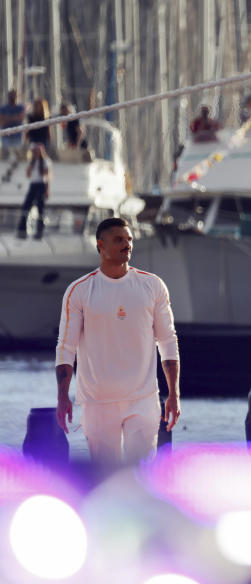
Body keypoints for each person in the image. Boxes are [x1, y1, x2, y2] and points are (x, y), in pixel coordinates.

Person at [54, 217, 180, 467]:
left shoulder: (152, 285)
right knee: (105, 479)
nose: (127, 244)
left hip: (142, 399)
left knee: (141, 476)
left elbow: (167, 341)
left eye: (129, 239)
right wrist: (62, 397)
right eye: (119, 240)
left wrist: (174, 393)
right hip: (97, 402)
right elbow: (66, 348)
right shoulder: (79, 290)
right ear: (101, 245)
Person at [16, 143, 52, 240]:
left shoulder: (45, 161)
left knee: (40, 207)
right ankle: (22, 228)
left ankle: (39, 230)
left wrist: (47, 190)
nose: (35, 153)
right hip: (33, 185)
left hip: (41, 185)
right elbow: (28, 175)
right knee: (26, 205)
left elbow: (47, 176)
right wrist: (32, 165)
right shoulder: (31, 162)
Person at [0, 89, 26, 159]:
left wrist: (7, 118)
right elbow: (1, 121)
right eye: (11, 95)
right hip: (6, 136)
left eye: (14, 95)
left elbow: (21, 118)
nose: (12, 97)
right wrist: (15, 117)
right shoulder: (3, 108)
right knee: (6, 158)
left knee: (18, 157)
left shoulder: (20, 107)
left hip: (17, 136)